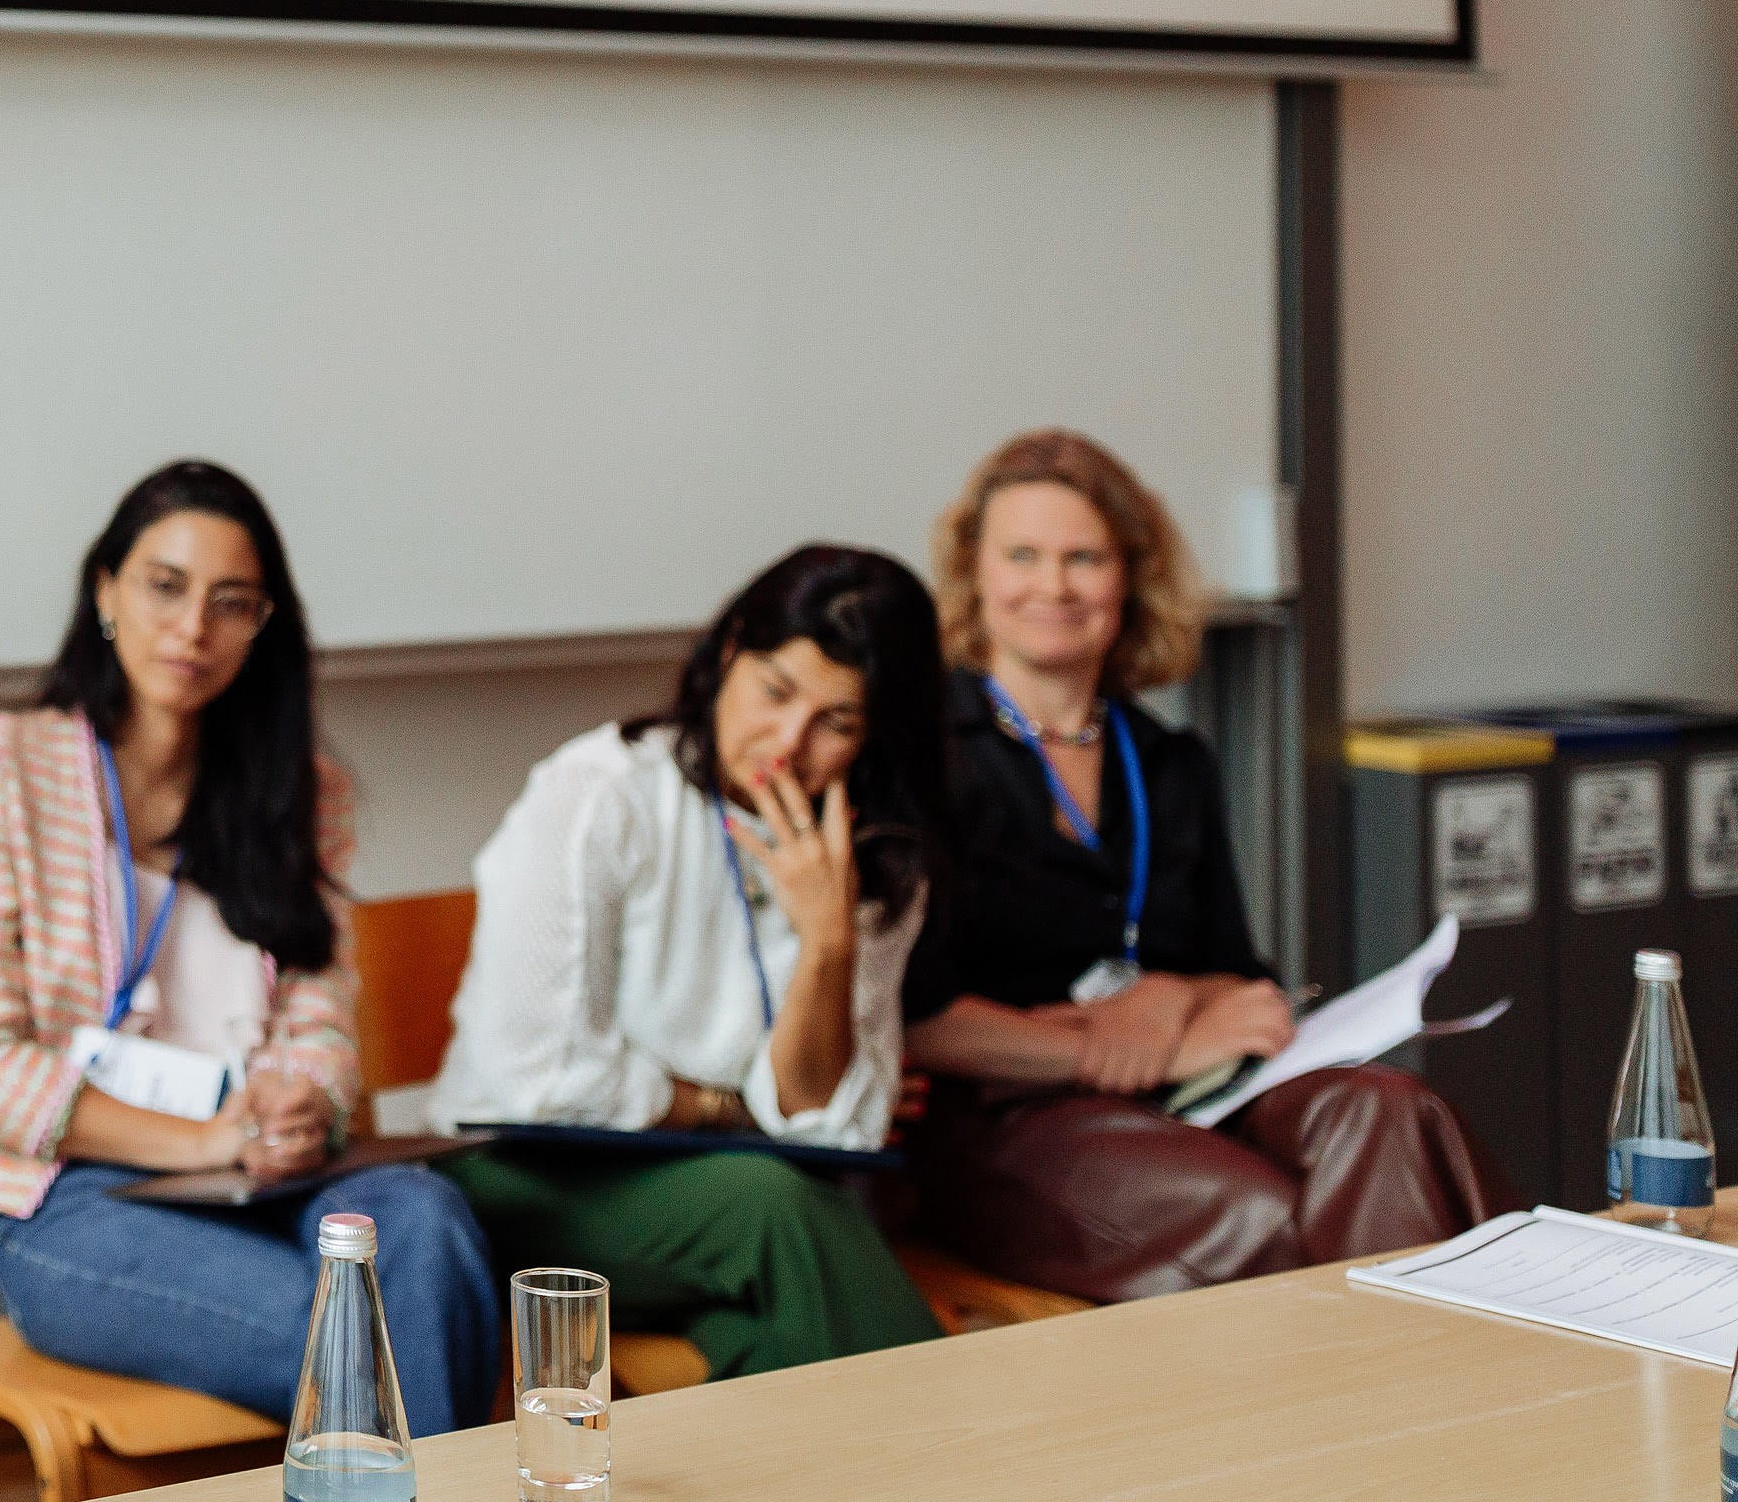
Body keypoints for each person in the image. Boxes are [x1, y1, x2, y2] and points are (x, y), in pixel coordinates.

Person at [0, 463, 496, 1432]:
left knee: (428, 1224)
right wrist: (203, 1141)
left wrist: (302, 1099)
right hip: (77, 1199)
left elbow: (321, 1020)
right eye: (165, 587)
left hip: (266, 1174)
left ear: (263, 624)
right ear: (105, 591)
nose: (193, 628)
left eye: (231, 603)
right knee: (354, 1330)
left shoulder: (300, 790)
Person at [901, 429, 1508, 1300]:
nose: (1053, 586)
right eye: (1022, 555)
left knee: (1395, 1114)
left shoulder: (1171, 762)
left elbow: (1242, 982)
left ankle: (1430, 1374)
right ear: (973, 573)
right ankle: (1414, 1378)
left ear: (1129, 577)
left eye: (1084, 558)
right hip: (1006, 1120)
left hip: (1192, 1086)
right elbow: (915, 1020)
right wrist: (1104, 1049)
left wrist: (1169, 1000)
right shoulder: (921, 754)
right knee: (1263, 1215)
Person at [428, 545, 949, 1378]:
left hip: (737, 1203)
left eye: (837, 722)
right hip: (524, 1175)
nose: (788, 742)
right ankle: (966, 1443)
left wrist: (828, 941)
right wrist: (727, 1108)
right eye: (775, 691)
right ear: (729, 650)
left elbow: (835, 1122)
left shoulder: (875, 855)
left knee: (780, 1329)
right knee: (779, 1208)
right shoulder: (601, 792)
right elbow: (540, 1078)